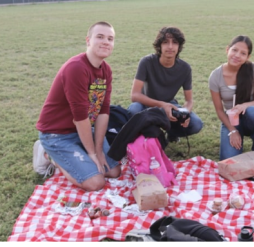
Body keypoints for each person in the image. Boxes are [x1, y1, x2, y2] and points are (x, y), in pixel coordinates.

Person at [36, 22, 122, 191]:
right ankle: (49, 154)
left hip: (81, 130)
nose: (106, 42)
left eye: (110, 39)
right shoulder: (76, 68)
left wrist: (98, 150)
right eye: (100, 37)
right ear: (88, 40)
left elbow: (103, 111)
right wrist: (92, 155)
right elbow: (80, 117)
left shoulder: (106, 70)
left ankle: (80, 154)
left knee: (113, 171)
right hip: (57, 134)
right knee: (96, 182)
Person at [129, 26, 203, 140]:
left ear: (179, 46)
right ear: (159, 45)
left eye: (174, 42)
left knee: (196, 124)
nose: (170, 46)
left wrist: (185, 113)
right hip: (146, 104)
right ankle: (149, 136)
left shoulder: (185, 68)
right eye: (165, 42)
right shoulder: (147, 62)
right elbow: (134, 95)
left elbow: (189, 100)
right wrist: (162, 105)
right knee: (133, 111)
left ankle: (172, 132)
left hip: (170, 105)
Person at [209, 35, 254, 160]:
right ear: (227, 49)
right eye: (234, 50)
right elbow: (219, 110)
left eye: (243, 53)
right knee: (228, 159)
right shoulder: (215, 76)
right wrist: (232, 130)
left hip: (249, 116)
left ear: (248, 57)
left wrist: (244, 105)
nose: (237, 55)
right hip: (231, 120)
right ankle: (237, 136)